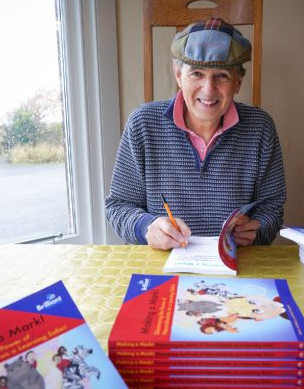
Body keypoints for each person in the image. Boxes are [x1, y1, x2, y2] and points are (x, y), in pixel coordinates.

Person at [105, 17, 286, 250]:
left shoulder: (261, 128)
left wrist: (257, 230)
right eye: (197, 74)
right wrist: (146, 227)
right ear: (179, 75)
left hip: (235, 265)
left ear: (238, 82)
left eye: (222, 76)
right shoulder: (143, 124)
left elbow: (273, 209)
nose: (208, 89)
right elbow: (118, 206)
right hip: (164, 266)